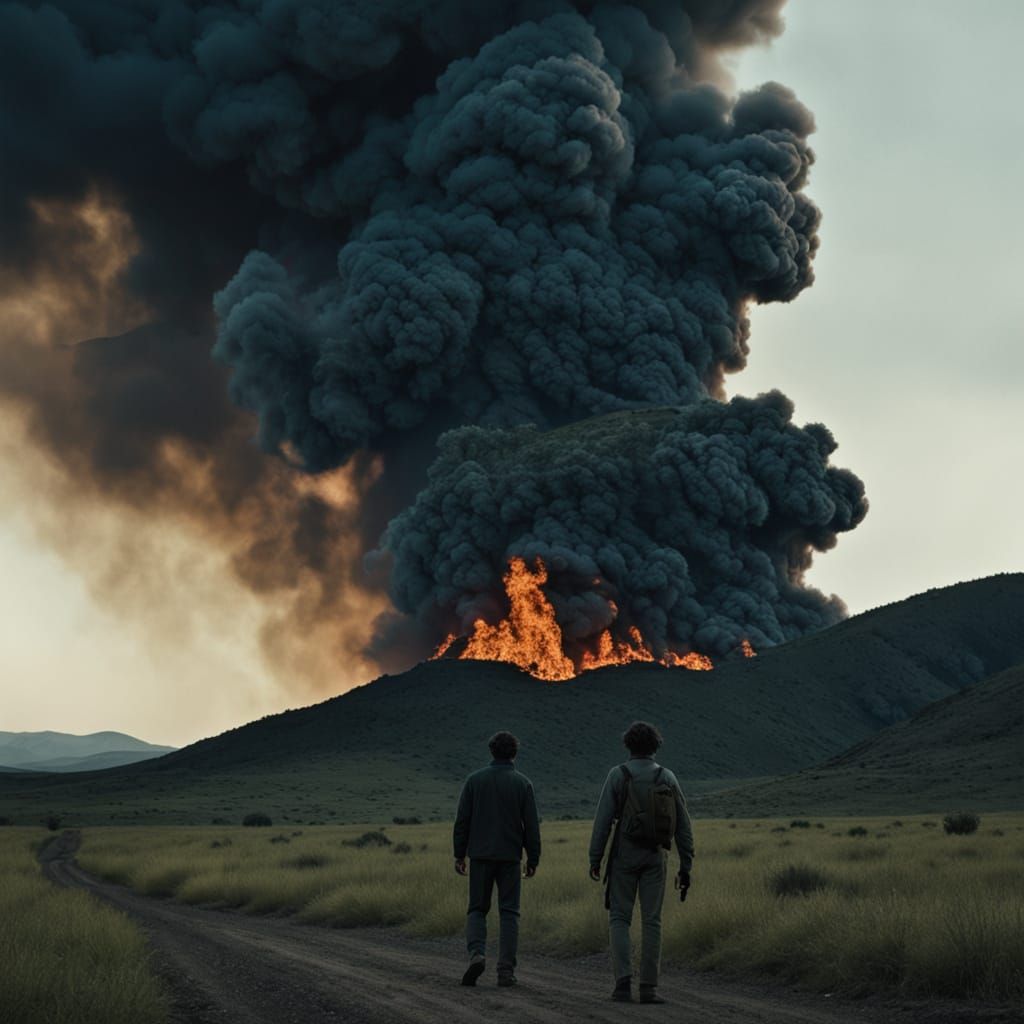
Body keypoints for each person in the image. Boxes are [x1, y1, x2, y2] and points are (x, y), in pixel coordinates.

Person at [588, 720, 694, 1004]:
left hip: (624, 856)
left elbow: (602, 822)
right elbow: (683, 824)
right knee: (652, 921)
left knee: (620, 918)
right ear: (655, 746)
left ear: (629, 745)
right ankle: (649, 988)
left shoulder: (617, 775)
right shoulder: (667, 777)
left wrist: (595, 858)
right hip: (656, 856)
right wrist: (687, 863)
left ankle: (622, 984)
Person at [453, 730, 541, 989]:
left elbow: (462, 821)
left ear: (492, 751)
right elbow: (531, 826)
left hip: (480, 856)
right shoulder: (522, 783)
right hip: (510, 858)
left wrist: (460, 854)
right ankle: (505, 972)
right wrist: (533, 857)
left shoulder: (474, 780)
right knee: (510, 912)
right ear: (514, 753)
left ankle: (477, 954)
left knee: (477, 909)